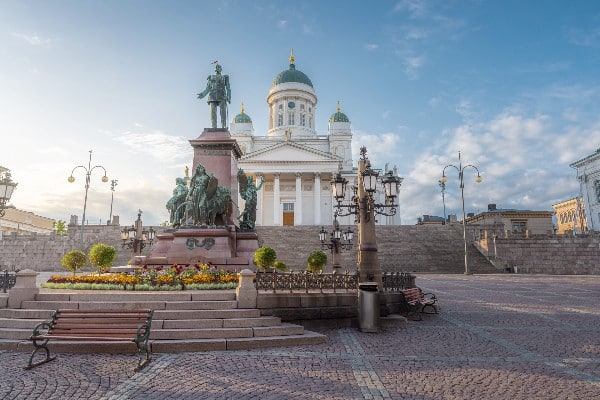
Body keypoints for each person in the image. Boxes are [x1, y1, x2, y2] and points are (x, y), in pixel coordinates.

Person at [197, 63, 231, 129]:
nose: (217, 68)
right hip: (212, 95)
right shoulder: (211, 77)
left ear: (221, 69)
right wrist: (203, 94)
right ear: (215, 70)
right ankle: (214, 126)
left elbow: (228, 88)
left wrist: (228, 96)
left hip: (222, 95)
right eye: (216, 68)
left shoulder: (225, 77)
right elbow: (208, 87)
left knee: (223, 111)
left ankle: (223, 126)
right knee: (213, 111)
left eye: (219, 67)